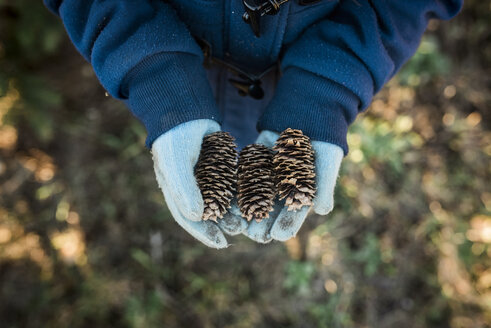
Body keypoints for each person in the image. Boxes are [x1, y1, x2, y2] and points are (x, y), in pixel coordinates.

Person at [44, 0, 463, 249]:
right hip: (182, 54)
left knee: (240, 148)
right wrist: (156, 76)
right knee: (219, 147)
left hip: (309, 61)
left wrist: (329, 84)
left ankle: (239, 170)